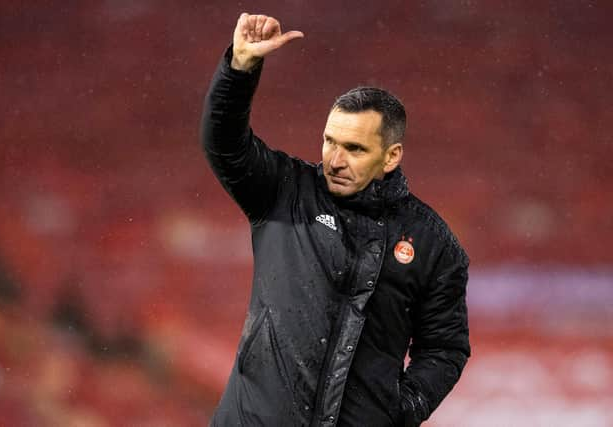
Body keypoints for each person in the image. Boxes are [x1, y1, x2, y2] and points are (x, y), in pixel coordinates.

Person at [200, 12, 470, 427]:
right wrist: (239, 69)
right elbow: (225, 144)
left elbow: (444, 349)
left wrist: (397, 412)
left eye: (355, 149)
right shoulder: (284, 192)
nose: (335, 160)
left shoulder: (433, 245)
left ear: (391, 157)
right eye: (329, 141)